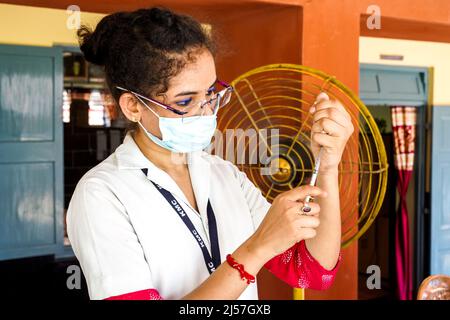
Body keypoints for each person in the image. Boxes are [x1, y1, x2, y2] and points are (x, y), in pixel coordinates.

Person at [67, 6, 354, 300]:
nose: (206, 112)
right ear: (133, 106)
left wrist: (329, 166)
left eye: (210, 93)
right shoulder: (102, 194)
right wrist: (257, 249)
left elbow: (312, 271)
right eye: (185, 101)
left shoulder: (225, 174)